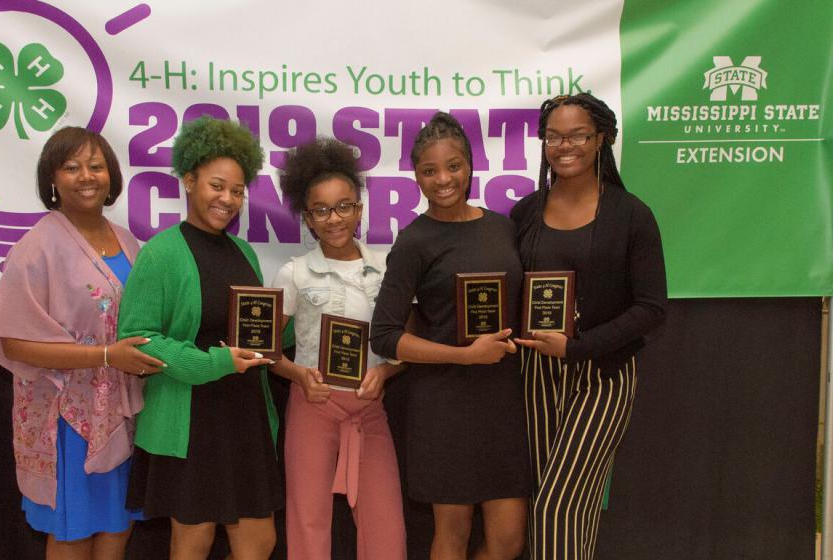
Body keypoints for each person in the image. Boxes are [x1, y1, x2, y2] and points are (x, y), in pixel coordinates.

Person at [0, 126, 163, 560]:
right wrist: (104, 355)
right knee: (73, 533)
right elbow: (13, 342)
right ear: (52, 179)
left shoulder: (127, 240)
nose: (86, 176)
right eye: (72, 166)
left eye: (96, 166)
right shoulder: (37, 246)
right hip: (68, 419)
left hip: (122, 411)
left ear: (112, 176)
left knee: (117, 529)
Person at [510, 93, 667, 559]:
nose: (565, 146)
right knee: (556, 503)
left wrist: (578, 348)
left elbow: (652, 308)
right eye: (554, 136)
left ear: (601, 139)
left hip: (603, 375)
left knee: (556, 507)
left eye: (578, 135)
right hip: (535, 376)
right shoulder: (525, 213)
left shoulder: (631, 215)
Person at [117, 116, 281, 560]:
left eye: (237, 190)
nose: (228, 199)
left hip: (244, 416)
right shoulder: (161, 252)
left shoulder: (244, 251)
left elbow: (250, 330)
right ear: (188, 181)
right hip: (190, 421)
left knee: (259, 541)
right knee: (194, 541)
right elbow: (137, 339)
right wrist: (215, 364)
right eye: (216, 186)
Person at [370, 112, 530, 560]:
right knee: (453, 534)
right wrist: (464, 356)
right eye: (429, 170)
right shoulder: (414, 242)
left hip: (503, 400)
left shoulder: (504, 227)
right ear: (416, 176)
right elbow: (384, 335)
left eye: (454, 165)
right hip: (444, 404)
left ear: (470, 165)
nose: (443, 179)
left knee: (509, 541)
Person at [269, 137, 406, 559]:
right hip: (314, 405)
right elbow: (264, 351)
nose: (334, 218)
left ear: (359, 209)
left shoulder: (387, 268)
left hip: (370, 410)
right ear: (308, 218)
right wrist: (298, 376)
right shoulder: (294, 274)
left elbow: (406, 345)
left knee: (387, 530)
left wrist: (385, 372)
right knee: (308, 524)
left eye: (344, 206)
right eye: (322, 210)